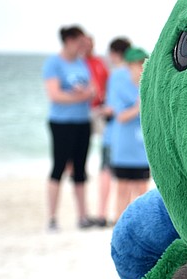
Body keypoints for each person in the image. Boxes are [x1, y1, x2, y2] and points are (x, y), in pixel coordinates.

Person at [42, 25, 95, 231]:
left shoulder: (82, 62)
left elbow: (92, 89)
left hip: (83, 121)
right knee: (59, 167)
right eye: (80, 42)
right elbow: (54, 95)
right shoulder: (53, 63)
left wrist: (86, 93)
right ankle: (52, 218)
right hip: (61, 123)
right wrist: (79, 96)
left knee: (81, 170)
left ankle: (83, 216)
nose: (83, 46)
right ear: (69, 41)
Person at [106, 46, 151, 222]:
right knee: (123, 190)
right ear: (129, 66)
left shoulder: (147, 84)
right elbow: (121, 116)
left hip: (142, 148)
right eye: (137, 64)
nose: (140, 68)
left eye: (143, 64)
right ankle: (120, 224)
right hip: (124, 147)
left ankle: (144, 224)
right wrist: (139, 106)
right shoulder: (119, 85)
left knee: (142, 189)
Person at [93, 37, 132, 228]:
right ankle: (123, 215)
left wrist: (101, 110)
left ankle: (102, 214)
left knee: (107, 172)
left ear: (115, 54)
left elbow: (113, 108)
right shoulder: (138, 73)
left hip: (114, 135)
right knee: (130, 180)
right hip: (133, 138)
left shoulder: (116, 75)